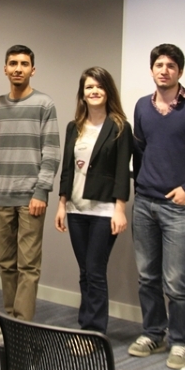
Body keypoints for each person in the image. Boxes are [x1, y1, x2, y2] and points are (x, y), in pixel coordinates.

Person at [128, 44, 185, 370]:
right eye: (159, 65)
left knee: (176, 281)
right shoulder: (142, 106)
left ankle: (180, 341)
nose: (164, 70)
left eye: (170, 65)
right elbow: (140, 149)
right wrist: (139, 187)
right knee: (147, 277)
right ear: (151, 70)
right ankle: (153, 333)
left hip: (177, 207)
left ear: (179, 71)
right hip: (144, 203)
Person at [0, 45, 60, 340]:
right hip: (1, 194)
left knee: (27, 265)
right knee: (6, 264)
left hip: (31, 197)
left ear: (33, 69)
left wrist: (41, 191)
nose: (18, 68)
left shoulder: (44, 104)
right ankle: (10, 321)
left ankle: (22, 326)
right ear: (5, 69)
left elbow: (51, 152)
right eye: (13, 63)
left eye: (24, 63)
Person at [54, 67, 132, 334]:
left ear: (108, 91)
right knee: (85, 272)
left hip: (104, 211)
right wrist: (62, 204)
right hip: (76, 209)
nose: (94, 91)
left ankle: (94, 332)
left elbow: (122, 172)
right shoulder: (73, 127)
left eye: (99, 86)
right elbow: (67, 169)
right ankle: (85, 326)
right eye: (89, 87)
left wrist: (120, 209)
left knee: (96, 272)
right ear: (82, 93)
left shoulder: (120, 127)